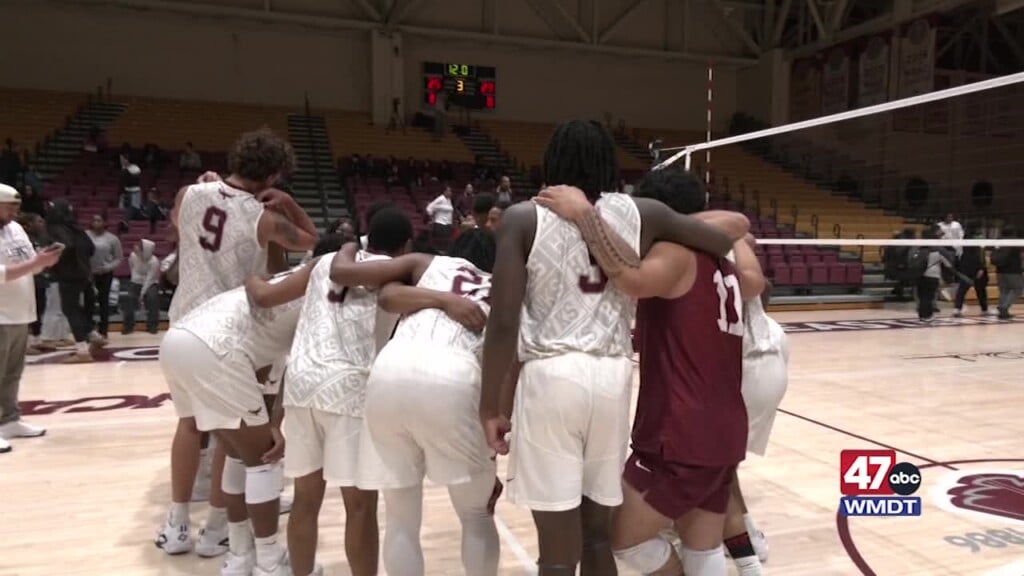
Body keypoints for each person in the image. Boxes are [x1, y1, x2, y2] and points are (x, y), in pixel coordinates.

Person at [479, 120, 748, 576]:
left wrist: (490, 406)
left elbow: (504, 321)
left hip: (552, 374)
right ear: (609, 164)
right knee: (599, 535)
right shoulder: (644, 212)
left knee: (557, 547)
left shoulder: (523, 217)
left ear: (551, 163)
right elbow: (723, 240)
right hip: (612, 377)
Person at [535, 168, 763, 576]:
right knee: (702, 545)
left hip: (681, 432)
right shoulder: (720, 259)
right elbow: (742, 241)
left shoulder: (677, 252)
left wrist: (585, 215)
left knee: (620, 538)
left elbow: (633, 280)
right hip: (724, 425)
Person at [156, 129, 318, 559]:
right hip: (232, 328)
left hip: (184, 319)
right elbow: (309, 239)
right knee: (239, 431)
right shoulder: (262, 215)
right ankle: (217, 526)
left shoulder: (190, 193)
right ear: (271, 174)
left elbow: (177, 224)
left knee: (190, 425)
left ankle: (176, 523)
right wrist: (286, 202)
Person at [331, 229, 501, 576]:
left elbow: (352, 277)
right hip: (453, 376)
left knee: (400, 518)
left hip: (388, 372)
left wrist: (349, 242)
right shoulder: (505, 285)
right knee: (475, 513)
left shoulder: (426, 262)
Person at [280, 208, 416, 576]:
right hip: (348, 386)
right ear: (406, 245)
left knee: (305, 499)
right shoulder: (400, 272)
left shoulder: (324, 260)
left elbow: (277, 293)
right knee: (359, 506)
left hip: (301, 380)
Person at [161, 261, 312, 576]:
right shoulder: (318, 300)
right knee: (263, 458)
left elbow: (264, 363)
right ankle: (269, 561)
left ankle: (238, 553)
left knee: (235, 453)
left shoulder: (284, 279)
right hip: (216, 348)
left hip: (178, 339)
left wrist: (267, 419)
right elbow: (297, 367)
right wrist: (274, 423)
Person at [726, 279, 788, 576]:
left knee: (718, 471)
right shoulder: (775, 329)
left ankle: (747, 548)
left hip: (749, 383)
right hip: (769, 386)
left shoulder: (730, 329)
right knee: (726, 468)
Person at [0, 184, 63, 454]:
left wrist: (45, 260)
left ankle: (9, 420)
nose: (15, 211)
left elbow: (30, 265)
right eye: (10, 206)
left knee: (12, 373)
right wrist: (36, 262)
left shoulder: (15, 229)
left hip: (19, 312)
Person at [46, 199, 101, 363]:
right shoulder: (77, 228)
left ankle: (82, 350)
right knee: (76, 308)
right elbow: (91, 248)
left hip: (69, 275)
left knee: (70, 309)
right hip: (84, 274)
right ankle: (93, 334)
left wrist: (53, 261)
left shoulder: (55, 228)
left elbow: (66, 247)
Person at [86, 214, 123, 338]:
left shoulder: (112, 239)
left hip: (105, 274)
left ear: (104, 223)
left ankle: (103, 330)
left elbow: (118, 258)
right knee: (88, 302)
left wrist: (107, 267)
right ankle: (88, 329)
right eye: (94, 220)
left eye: (99, 220)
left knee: (104, 302)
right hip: (88, 274)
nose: (96, 223)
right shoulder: (85, 235)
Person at [123, 239, 161, 334]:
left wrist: (142, 293)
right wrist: (135, 284)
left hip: (150, 283)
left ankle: (152, 325)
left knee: (152, 298)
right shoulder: (133, 256)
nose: (136, 249)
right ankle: (128, 326)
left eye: (139, 248)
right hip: (136, 281)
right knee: (129, 298)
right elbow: (133, 271)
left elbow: (150, 278)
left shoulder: (154, 261)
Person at [953, 227, 990, 317]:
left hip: (974, 268)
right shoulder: (970, 243)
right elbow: (974, 256)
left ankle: (984, 309)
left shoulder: (980, 243)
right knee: (963, 289)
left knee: (980, 290)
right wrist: (980, 268)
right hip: (971, 268)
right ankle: (957, 309)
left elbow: (982, 256)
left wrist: (983, 267)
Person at [991, 228, 1023, 320]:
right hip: (1013, 270)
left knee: (1004, 290)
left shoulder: (998, 241)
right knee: (1018, 289)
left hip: (1000, 270)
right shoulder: (1015, 241)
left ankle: (1003, 310)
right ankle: (1004, 307)